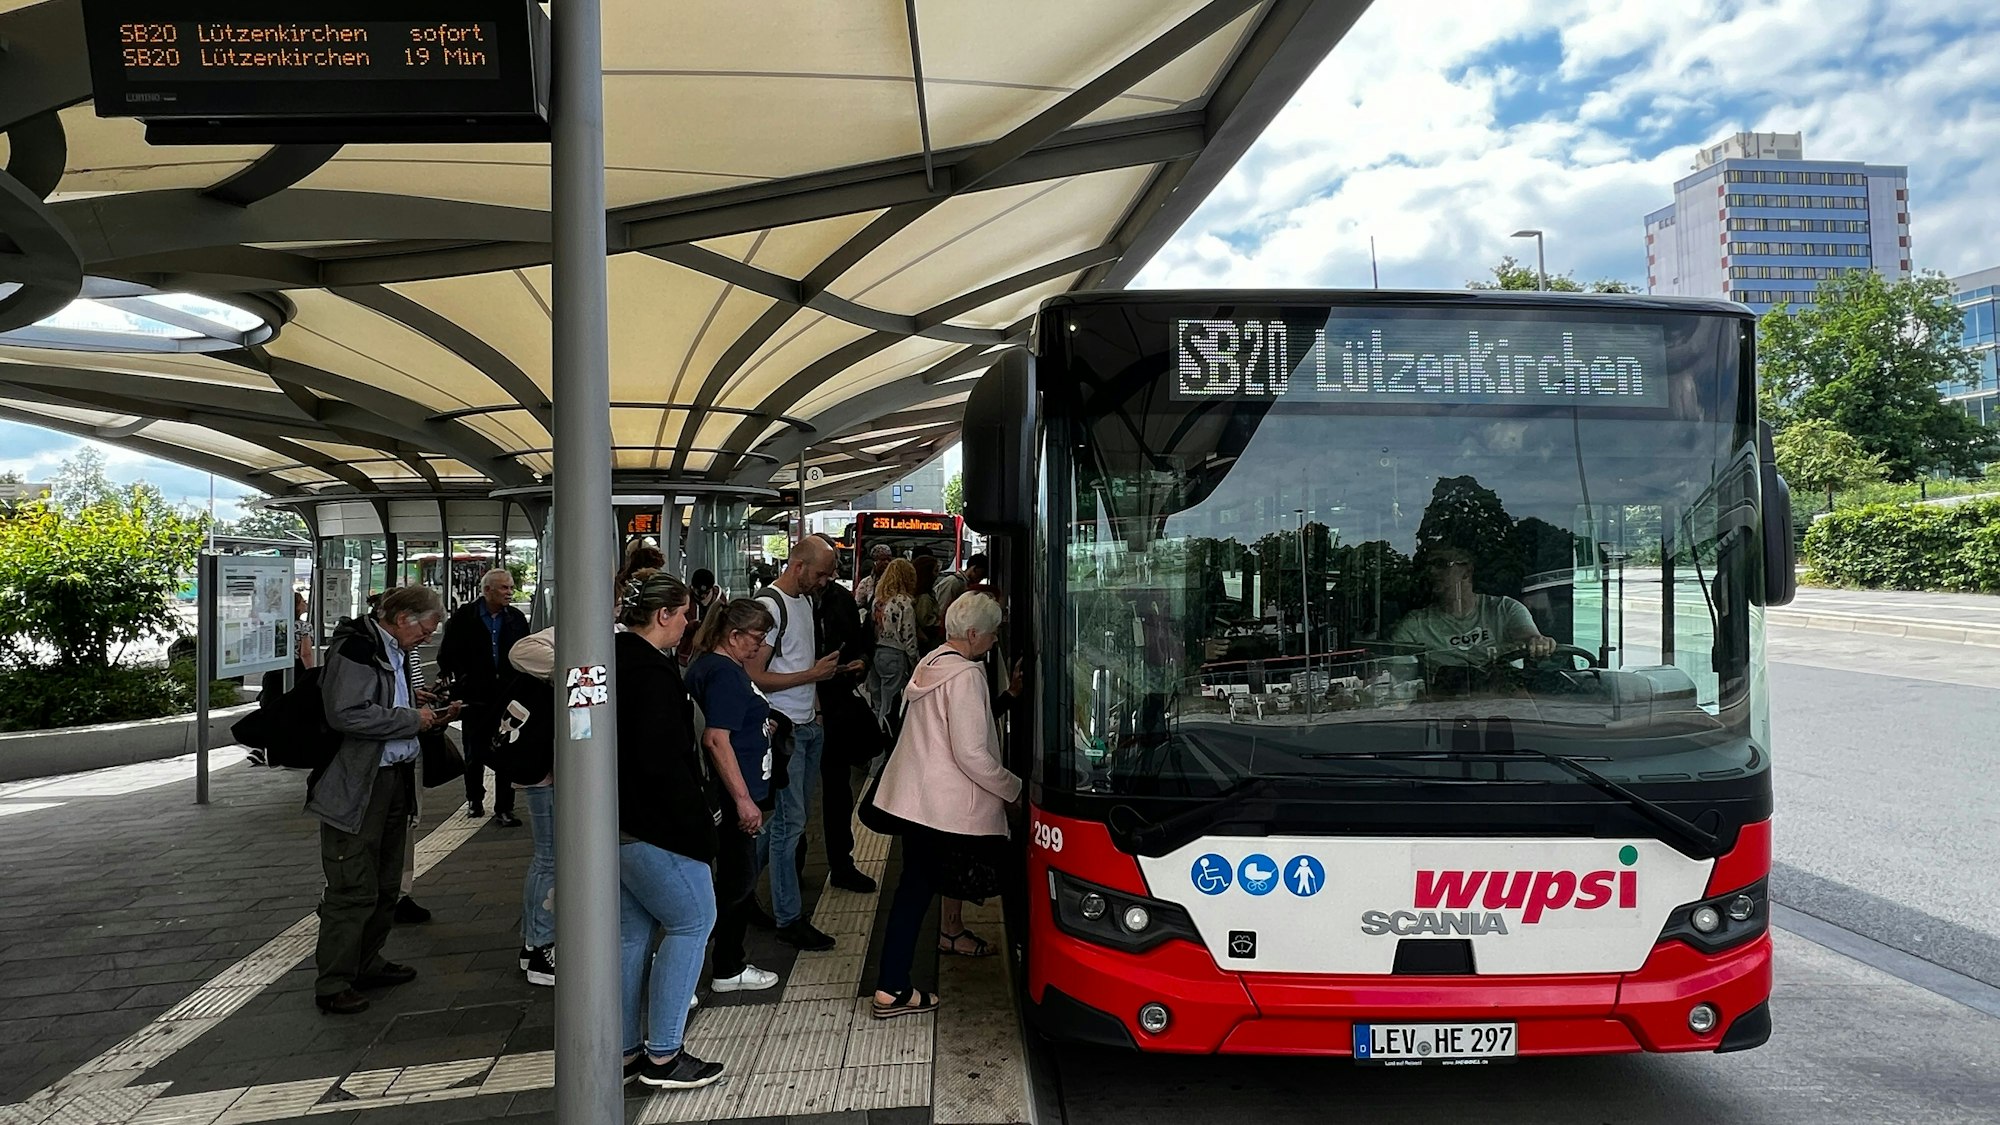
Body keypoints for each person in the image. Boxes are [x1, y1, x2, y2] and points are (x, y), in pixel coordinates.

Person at [869, 593, 1022, 1017]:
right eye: (992, 635)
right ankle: (892, 987)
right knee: (917, 891)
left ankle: (911, 967)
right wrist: (1015, 789)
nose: (994, 642)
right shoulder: (968, 676)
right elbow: (972, 754)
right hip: (943, 808)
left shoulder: (931, 663)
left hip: (916, 801)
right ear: (973, 634)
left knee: (912, 889)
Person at [309, 585, 459, 1015]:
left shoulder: (392, 648)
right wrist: (412, 717)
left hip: (394, 776)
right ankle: (334, 981)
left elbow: (382, 700)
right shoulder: (358, 649)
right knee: (353, 883)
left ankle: (367, 962)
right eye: (426, 629)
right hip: (360, 781)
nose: (428, 638)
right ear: (403, 619)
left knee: (388, 880)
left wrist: (419, 705)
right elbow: (347, 712)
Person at [613, 570, 725, 1090]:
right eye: (683, 614)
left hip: (611, 824)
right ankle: (664, 1054)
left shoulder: (608, 658)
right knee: (692, 923)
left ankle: (625, 1048)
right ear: (663, 616)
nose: (688, 624)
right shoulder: (653, 674)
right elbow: (663, 762)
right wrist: (701, 824)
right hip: (656, 826)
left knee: (632, 934)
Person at [748, 537, 846, 951]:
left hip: (806, 725)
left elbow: (802, 663)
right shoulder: (770, 606)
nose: (825, 581)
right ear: (799, 565)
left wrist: (818, 709)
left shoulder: (804, 602)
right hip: (783, 729)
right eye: (821, 573)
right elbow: (754, 673)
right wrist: (813, 679)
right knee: (791, 825)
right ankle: (789, 917)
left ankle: (737, 886)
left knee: (790, 822)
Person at [684, 598, 781, 995]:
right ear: (734, 635)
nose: (760, 647)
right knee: (736, 884)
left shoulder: (711, 666)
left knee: (728, 883)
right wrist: (743, 800)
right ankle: (727, 965)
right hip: (731, 795)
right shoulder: (723, 673)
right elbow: (716, 738)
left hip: (728, 790)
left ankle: (717, 964)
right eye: (756, 638)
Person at [437, 569, 530, 826]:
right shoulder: (464, 618)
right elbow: (447, 654)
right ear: (487, 590)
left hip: (508, 694)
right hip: (474, 695)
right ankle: (474, 800)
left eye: (510, 588)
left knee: (507, 749)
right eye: (503, 588)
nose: (509, 593)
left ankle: (505, 807)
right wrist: (456, 680)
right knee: (474, 750)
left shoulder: (516, 619)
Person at [812, 553, 879, 895]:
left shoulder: (839, 599)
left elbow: (862, 641)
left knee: (837, 792)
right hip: (803, 711)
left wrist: (862, 661)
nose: (827, 579)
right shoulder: (784, 604)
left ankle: (842, 863)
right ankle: (781, 873)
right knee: (789, 804)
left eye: (831, 573)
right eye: (822, 573)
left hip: (836, 707)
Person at [501, 625, 559, 986]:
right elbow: (519, 651)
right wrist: (579, 664)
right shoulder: (567, 635)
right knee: (549, 858)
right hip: (543, 771)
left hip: (547, 767)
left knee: (548, 858)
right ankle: (540, 948)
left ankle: (532, 943)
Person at [1388, 545, 1554, 667]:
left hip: (1506, 701)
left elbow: (1530, 638)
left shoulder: (1504, 609)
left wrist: (1538, 643)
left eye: (1441, 564)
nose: (1431, 572)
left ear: (1466, 571)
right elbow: (1393, 667)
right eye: (1428, 566)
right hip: (1443, 706)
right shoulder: (1416, 625)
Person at [868, 558, 921, 733]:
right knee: (890, 704)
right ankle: (885, 740)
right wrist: (915, 662)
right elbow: (909, 636)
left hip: (876, 652)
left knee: (877, 702)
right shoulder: (904, 602)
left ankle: (873, 737)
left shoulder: (879, 600)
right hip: (895, 654)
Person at [934, 552, 988, 618]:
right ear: (973, 568)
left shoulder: (965, 585)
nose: (980, 579)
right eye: (981, 575)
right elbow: (942, 608)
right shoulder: (953, 582)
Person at [912, 554, 943, 653]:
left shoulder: (926, 593)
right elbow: (924, 621)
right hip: (928, 639)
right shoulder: (924, 597)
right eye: (935, 571)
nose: (937, 574)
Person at [853, 544, 893, 617]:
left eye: (889, 559)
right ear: (875, 561)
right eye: (883, 559)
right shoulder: (866, 583)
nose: (887, 562)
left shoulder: (895, 582)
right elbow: (858, 605)